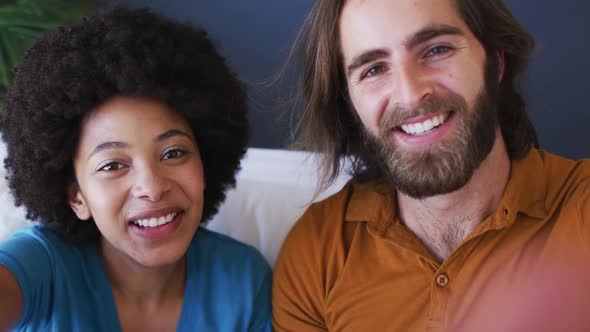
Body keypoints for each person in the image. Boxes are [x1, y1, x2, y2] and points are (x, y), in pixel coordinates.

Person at [273, 0, 590, 331]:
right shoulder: (317, 251)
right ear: (349, 103)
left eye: (436, 50)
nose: (410, 95)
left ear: (495, 61)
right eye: (374, 70)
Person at [0, 7, 271, 332]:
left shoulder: (243, 280)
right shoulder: (41, 264)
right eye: (113, 165)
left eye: (173, 153)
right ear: (76, 196)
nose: (152, 187)